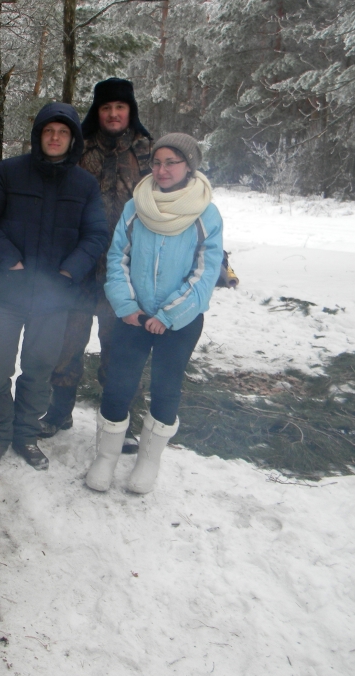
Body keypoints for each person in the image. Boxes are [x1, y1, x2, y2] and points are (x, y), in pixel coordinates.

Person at [0, 103, 108, 473]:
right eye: (49, 131)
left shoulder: (84, 184)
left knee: (40, 368)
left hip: (54, 297)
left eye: (63, 132)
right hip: (7, 292)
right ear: (38, 135)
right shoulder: (9, 172)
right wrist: (8, 257)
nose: (55, 137)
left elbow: (96, 234)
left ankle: (26, 435)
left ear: (73, 139)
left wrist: (69, 271)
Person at [86, 133, 222, 494]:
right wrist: (127, 306)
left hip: (180, 321)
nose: (162, 170)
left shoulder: (205, 212)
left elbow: (205, 272)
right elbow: (118, 258)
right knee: (118, 384)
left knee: (165, 388)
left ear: (188, 166)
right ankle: (106, 458)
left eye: (171, 163)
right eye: (157, 162)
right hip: (134, 316)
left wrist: (170, 314)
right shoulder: (136, 205)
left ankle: (148, 462)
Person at [42, 78, 152, 450]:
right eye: (106, 108)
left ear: (130, 111)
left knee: (118, 350)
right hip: (78, 266)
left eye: (120, 107)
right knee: (66, 344)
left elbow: (168, 204)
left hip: (124, 272)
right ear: (98, 111)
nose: (113, 114)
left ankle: (119, 423)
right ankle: (59, 411)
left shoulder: (147, 151)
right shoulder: (79, 147)